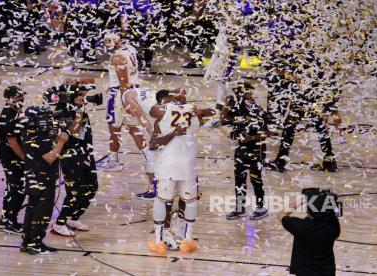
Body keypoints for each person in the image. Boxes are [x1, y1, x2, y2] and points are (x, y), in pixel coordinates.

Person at [148, 89, 215, 254]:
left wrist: (174, 132)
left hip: (167, 166)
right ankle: (187, 239)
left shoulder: (164, 113)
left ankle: (159, 240)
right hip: (188, 166)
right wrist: (201, 110)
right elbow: (214, 111)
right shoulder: (192, 112)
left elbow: (152, 143)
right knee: (190, 200)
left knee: (163, 201)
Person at [99, 31, 156, 199]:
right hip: (132, 91)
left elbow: (123, 83)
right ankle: (149, 156)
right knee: (133, 128)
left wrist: (125, 101)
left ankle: (113, 160)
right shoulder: (130, 49)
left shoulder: (117, 58)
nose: (105, 44)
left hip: (120, 96)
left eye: (108, 41)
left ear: (115, 41)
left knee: (113, 128)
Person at [50, 81, 100, 237]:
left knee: (92, 186)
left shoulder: (78, 107)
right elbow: (75, 130)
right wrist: (79, 109)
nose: (83, 98)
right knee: (75, 191)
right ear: (71, 96)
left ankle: (73, 217)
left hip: (85, 153)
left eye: (83, 95)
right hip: (70, 155)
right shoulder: (62, 110)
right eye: (79, 96)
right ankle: (59, 223)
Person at [20, 106, 69, 255]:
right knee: (42, 211)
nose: (49, 121)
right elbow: (49, 157)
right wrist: (61, 142)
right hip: (43, 179)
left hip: (32, 177)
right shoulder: (39, 137)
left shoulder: (27, 132)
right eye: (46, 118)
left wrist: (53, 138)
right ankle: (35, 244)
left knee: (31, 210)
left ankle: (27, 242)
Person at [221, 82, 269, 220]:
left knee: (256, 179)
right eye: (237, 92)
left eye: (241, 92)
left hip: (256, 149)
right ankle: (239, 207)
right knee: (239, 179)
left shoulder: (258, 111)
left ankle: (260, 208)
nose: (239, 94)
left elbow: (268, 133)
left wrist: (252, 137)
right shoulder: (238, 108)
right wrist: (226, 104)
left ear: (249, 93)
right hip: (241, 149)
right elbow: (223, 119)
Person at [277, 188, 341, 276]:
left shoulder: (302, 227)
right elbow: (333, 213)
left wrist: (300, 200)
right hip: (327, 272)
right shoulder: (334, 226)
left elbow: (281, 214)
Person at [0, 86, 27, 234]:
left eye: (22, 98)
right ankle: (11, 222)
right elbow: (13, 142)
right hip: (11, 156)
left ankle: (5, 218)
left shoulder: (15, 112)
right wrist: (25, 159)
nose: (21, 100)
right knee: (18, 189)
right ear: (9, 99)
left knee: (12, 187)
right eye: (18, 98)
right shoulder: (8, 115)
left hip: (11, 154)